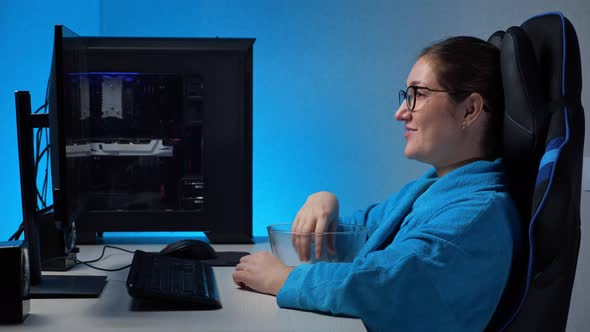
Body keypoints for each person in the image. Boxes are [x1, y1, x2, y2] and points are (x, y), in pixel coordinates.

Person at [232, 36, 522, 332]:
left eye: (419, 95)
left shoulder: (475, 217)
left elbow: (382, 285)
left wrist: (282, 279)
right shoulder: (432, 189)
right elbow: (365, 234)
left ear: (470, 110)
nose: (401, 113)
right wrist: (324, 205)